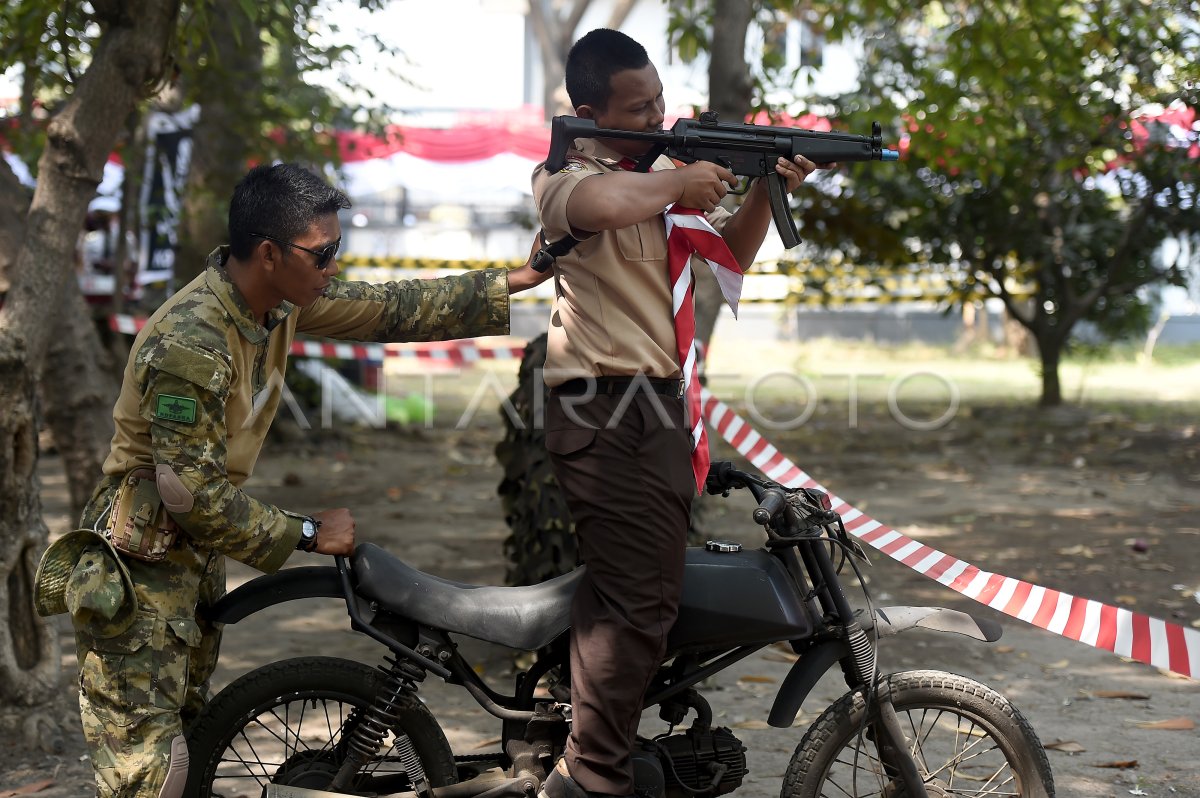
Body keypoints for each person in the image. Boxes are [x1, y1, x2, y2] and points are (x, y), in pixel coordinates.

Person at [33, 162, 550, 798]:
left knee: (185, 746)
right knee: (149, 774)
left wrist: (520, 279)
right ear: (271, 253)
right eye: (324, 252)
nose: (334, 265)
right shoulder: (194, 340)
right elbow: (191, 497)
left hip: (186, 556)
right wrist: (307, 532)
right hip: (140, 564)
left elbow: (389, 308)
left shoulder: (274, 305)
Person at [530, 29, 818, 798]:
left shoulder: (655, 173)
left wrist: (763, 185)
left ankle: (561, 738)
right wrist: (678, 180)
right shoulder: (562, 176)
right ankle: (590, 777)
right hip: (603, 412)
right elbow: (598, 204)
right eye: (639, 106)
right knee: (641, 601)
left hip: (655, 409)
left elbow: (726, 258)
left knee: (632, 594)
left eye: (660, 97)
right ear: (587, 111)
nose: (659, 114)